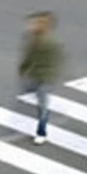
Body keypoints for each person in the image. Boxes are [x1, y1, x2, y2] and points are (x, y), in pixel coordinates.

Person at [18, 11, 64, 145]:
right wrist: (23, 68)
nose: (34, 25)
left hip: (45, 79)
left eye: (40, 23)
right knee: (37, 100)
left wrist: (50, 76)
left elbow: (57, 61)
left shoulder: (52, 43)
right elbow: (29, 56)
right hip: (34, 76)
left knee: (42, 106)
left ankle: (41, 132)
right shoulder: (32, 39)